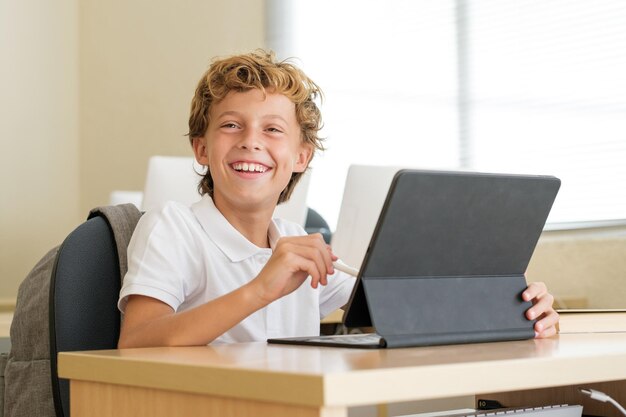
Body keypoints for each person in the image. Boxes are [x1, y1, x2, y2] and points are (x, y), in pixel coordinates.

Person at [117, 50, 559, 348]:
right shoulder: (172, 227)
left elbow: (398, 307)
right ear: (201, 149)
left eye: (273, 129)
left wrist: (517, 306)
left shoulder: (297, 244)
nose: (251, 142)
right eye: (231, 125)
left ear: (300, 157)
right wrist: (260, 289)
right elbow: (134, 343)